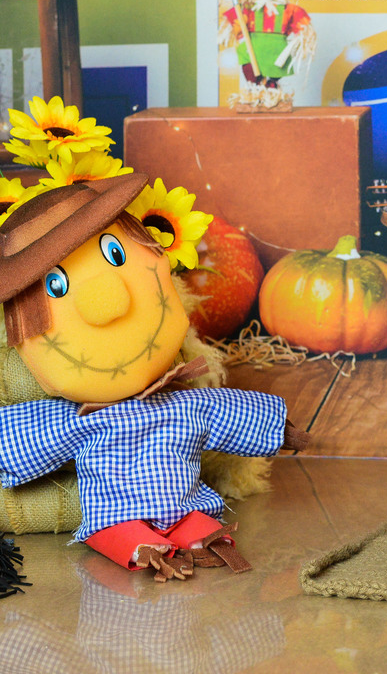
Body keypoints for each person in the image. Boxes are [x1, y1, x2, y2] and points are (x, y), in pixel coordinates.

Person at [0, 174, 306, 582]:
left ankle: (198, 534)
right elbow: (24, 437)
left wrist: (281, 430)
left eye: (115, 253)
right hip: (113, 513)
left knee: (200, 523)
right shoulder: (79, 420)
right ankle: (137, 545)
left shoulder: (184, 404)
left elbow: (230, 413)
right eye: (56, 284)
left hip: (186, 503)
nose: (110, 302)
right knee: (118, 531)